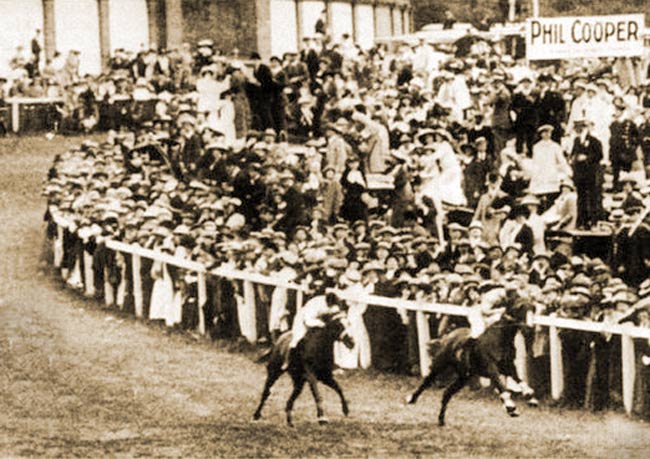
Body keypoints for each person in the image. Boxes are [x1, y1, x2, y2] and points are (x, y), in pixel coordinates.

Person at [284, 291, 343, 370]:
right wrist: (321, 323)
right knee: (297, 338)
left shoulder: (334, 302)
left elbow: (337, 313)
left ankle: (331, 363)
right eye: (329, 305)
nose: (330, 306)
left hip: (320, 319)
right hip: (303, 320)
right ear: (326, 301)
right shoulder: (315, 305)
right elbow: (309, 321)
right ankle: (288, 361)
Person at [570, 119, 603, 229]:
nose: (579, 131)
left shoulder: (594, 141)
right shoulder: (576, 141)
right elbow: (573, 153)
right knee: (581, 199)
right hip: (580, 175)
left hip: (591, 174)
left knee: (593, 198)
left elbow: (599, 155)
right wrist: (573, 159)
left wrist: (587, 158)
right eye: (577, 129)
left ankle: (593, 221)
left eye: (581, 129)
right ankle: (582, 222)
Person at [526, 124, 571, 205]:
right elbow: (535, 163)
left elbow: (562, 161)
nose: (547, 134)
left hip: (551, 175)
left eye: (549, 132)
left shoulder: (555, 146)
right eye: (544, 132)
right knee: (539, 198)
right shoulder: (536, 147)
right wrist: (533, 176)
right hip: (540, 176)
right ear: (541, 134)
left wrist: (568, 171)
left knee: (551, 197)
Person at [609, 99, 640, 191]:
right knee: (615, 170)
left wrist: (632, 147)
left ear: (622, 112)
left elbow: (636, 137)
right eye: (615, 111)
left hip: (625, 150)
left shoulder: (629, 123)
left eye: (618, 111)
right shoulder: (613, 123)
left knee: (626, 169)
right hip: (615, 150)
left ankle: (628, 187)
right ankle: (616, 187)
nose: (616, 113)